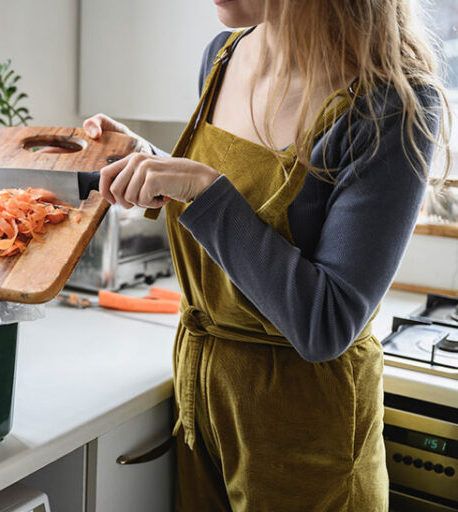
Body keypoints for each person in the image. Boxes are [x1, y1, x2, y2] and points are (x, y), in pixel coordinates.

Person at [83, 0, 449, 510]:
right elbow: (240, 212)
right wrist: (151, 166)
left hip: (305, 434)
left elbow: (326, 323)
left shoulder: (392, 104)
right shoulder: (223, 54)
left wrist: (201, 187)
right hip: (203, 409)